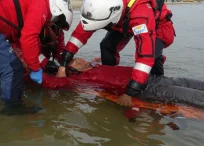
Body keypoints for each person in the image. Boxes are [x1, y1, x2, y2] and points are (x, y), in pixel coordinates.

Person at [56, 0, 176, 106]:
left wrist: (131, 91)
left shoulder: (140, 13)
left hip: (158, 26)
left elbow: (145, 54)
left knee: (153, 55)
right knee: (107, 46)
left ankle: (156, 84)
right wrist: (64, 63)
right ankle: (110, 80)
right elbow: (79, 35)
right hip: (124, 23)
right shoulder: (101, 4)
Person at [42, 58, 204, 108]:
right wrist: (61, 71)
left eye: (77, 58)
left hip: (157, 78)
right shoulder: (79, 79)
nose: (79, 60)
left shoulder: (94, 66)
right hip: (150, 88)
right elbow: (55, 83)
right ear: (73, 72)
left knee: (198, 84)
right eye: (76, 63)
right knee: (198, 97)